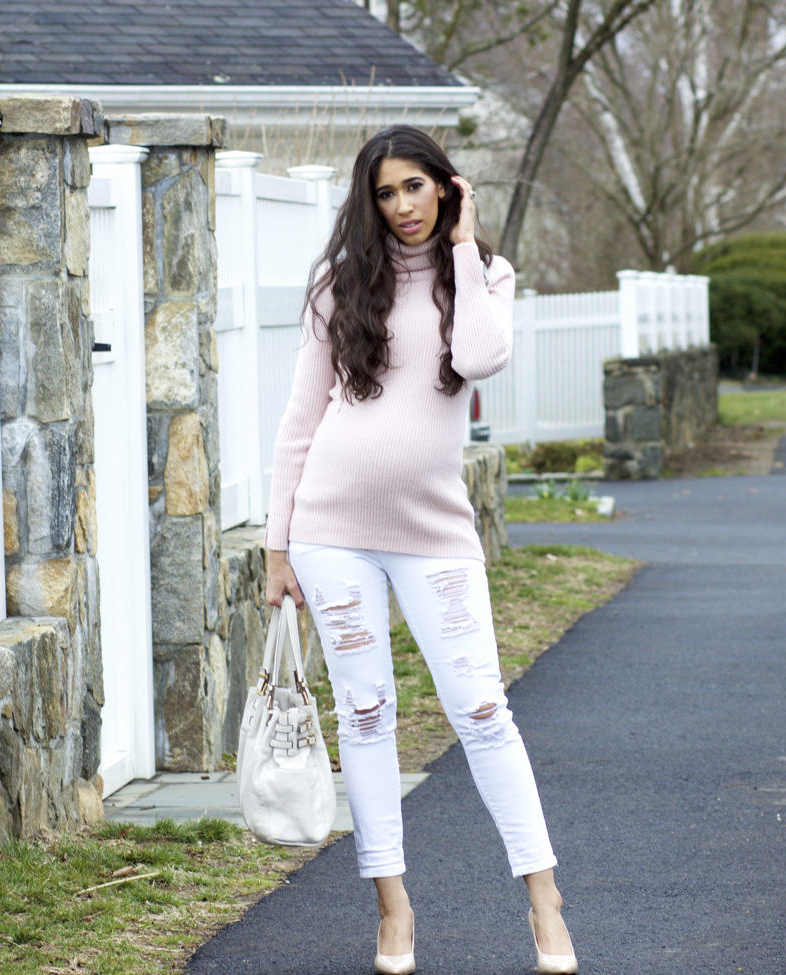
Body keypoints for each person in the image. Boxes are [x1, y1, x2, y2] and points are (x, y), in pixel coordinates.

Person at [265, 124, 577, 975]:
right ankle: (392, 908)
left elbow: (480, 356)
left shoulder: (481, 276)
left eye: (414, 186)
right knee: (365, 716)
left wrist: (466, 245)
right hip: (330, 531)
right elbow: (299, 420)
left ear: (446, 186)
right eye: (384, 192)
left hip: (434, 535)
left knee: (480, 709)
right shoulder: (339, 283)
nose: (401, 206)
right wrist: (275, 544)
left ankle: (543, 900)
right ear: (368, 205)